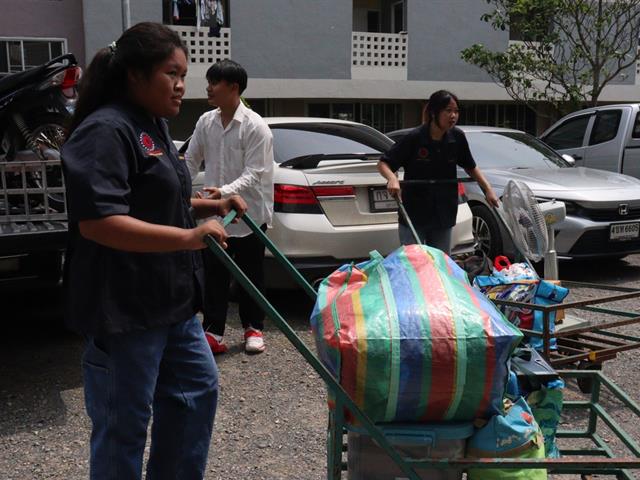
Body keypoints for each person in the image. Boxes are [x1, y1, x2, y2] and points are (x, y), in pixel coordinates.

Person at [61, 22, 247, 480]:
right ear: (135, 76)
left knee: (195, 396)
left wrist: (211, 203)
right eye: (171, 73)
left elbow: (159, 199)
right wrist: (188, 237)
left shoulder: (156, 127)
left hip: (173, 304)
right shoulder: (104, 131)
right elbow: (100, 222)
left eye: (185, 74)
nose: (182, 85)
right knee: (124, 426)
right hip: (125, 310)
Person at [185, 59, 274, 355]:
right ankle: (214, 331)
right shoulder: (205, 122)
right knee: (215, 275)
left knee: (250, 274)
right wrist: (175, 185)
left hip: (249, 215)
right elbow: (190, 160)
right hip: (215, 215)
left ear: (233, 88)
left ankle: (253, 327)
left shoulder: (256, 126)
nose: (208, 88)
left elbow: (255, 173)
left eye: (215, 82)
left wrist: (223, 191)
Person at [377, 89, 499, 254]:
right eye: (448, 111)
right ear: (434, 112)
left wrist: (488, 189)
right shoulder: (415, 137)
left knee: (441, 264)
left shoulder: (457, 137)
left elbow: (470, 166)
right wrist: (392, 178)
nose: (453, 116)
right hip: (415, 212)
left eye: (456, 111)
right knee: (414, 264)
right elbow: (384, 163)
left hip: (443, 212)